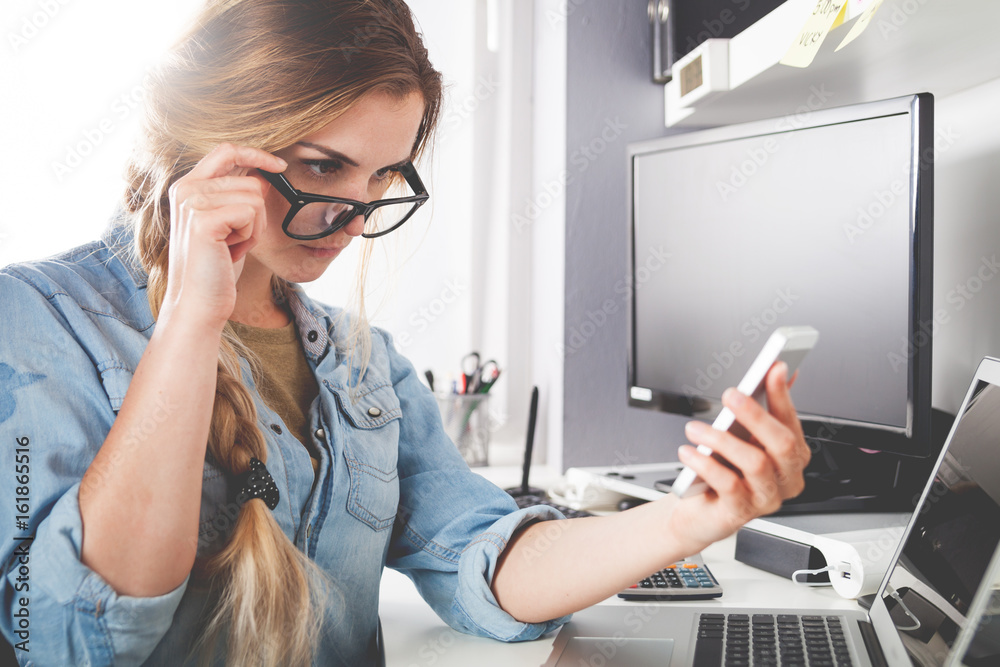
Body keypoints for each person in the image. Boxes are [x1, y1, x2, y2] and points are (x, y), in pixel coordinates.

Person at [0, 0, 812, 665]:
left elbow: (478, 560)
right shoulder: (36, 320)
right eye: (322, 167)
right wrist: (189, 322)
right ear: (211, 146)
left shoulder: (364, 365)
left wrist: (687, 520)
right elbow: (73, 639)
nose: (354, 214)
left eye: (383, 173)